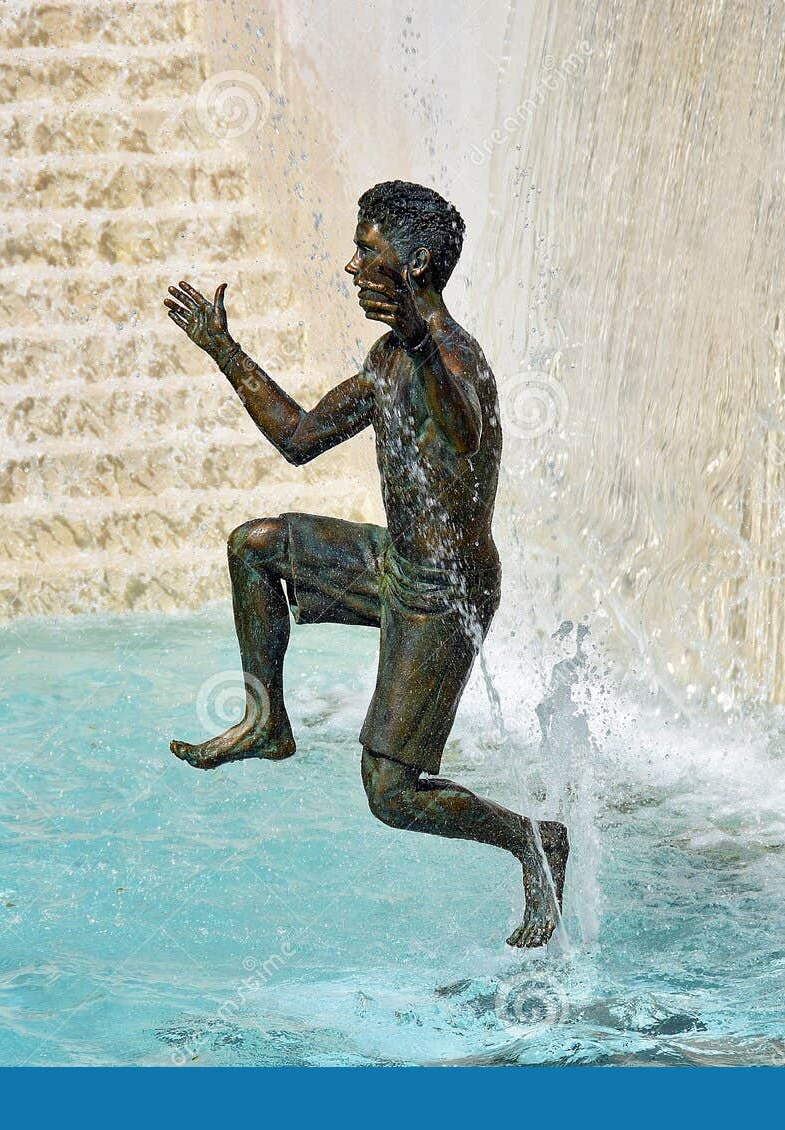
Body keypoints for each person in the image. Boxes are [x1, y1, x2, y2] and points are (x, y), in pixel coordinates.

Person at [164, 180, 567, 947]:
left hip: (444, 591)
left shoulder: (452, 356)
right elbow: (300, 438)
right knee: (255, 546)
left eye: (368, 251)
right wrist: (224, 349)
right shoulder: (387, 360)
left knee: (389, 792)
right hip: (393, 563)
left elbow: (466, 430)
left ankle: (533, 838)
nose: (352, 267)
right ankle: (265, 718)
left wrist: (419, 339)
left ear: (413, 266)